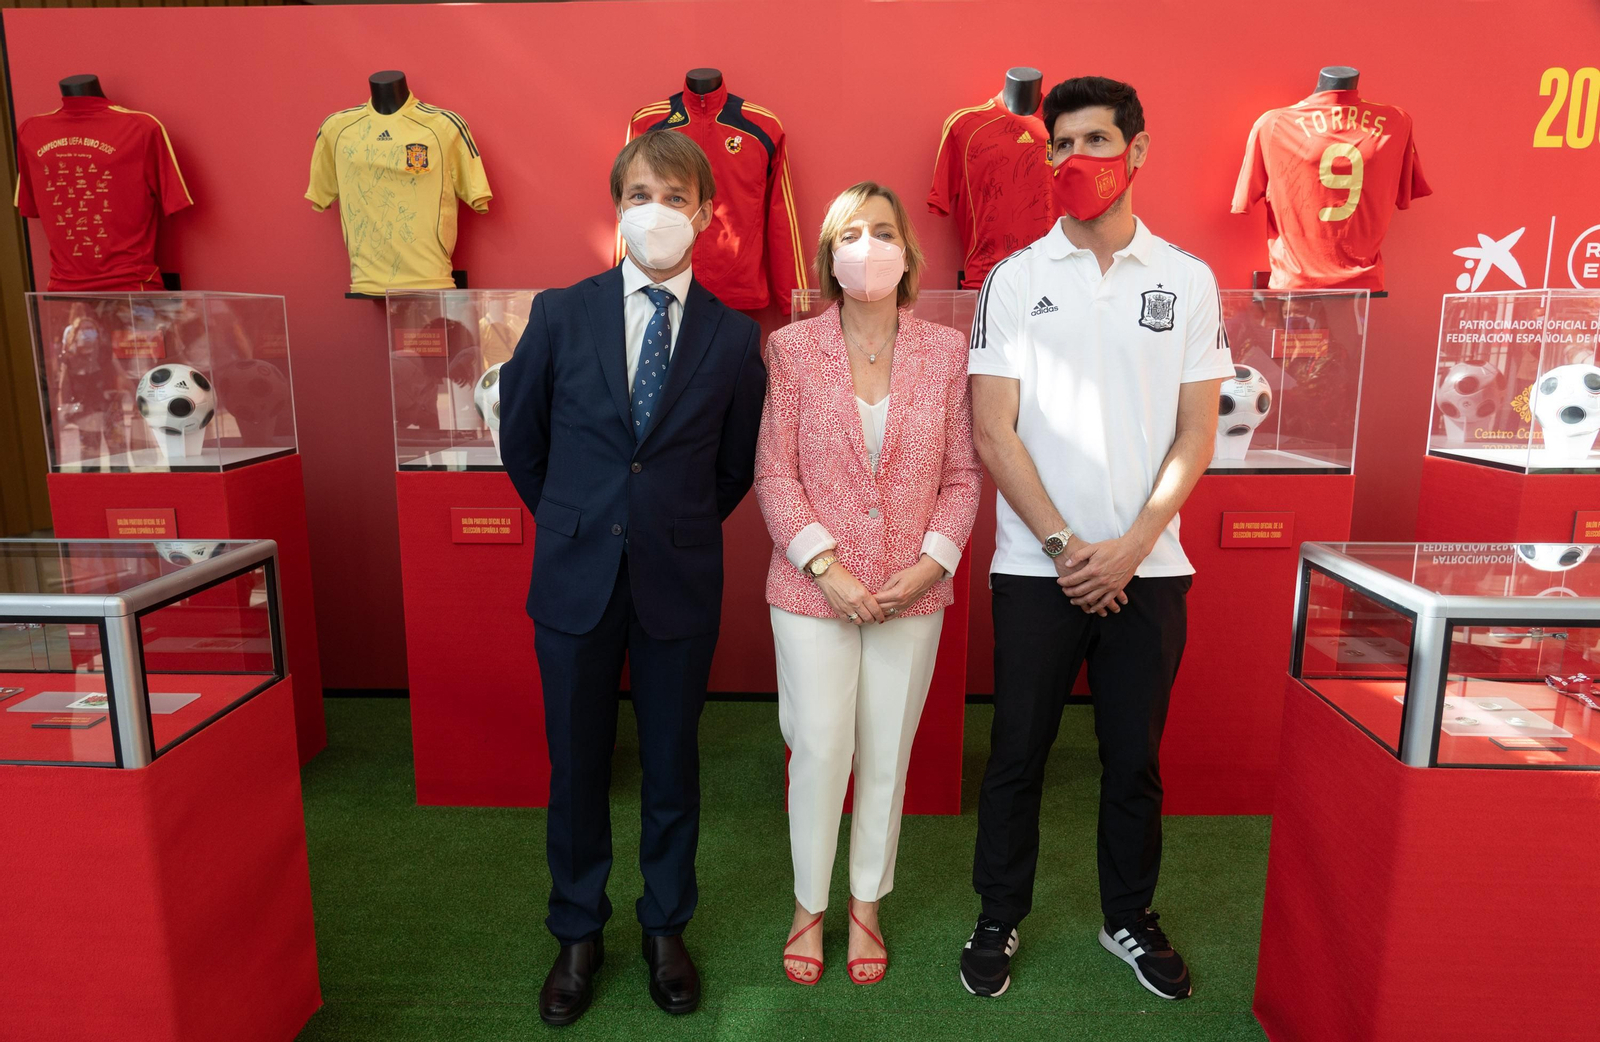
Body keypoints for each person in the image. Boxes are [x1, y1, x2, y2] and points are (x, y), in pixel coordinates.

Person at [960, 76, 1233, 1002]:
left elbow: (1197, 433)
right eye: (1063, 144)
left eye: (1098, 141)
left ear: (1140, 150)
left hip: (1148, 569)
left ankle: (1131, 915)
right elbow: (993, 429)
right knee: (1017, 755)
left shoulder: (1187, 280)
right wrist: (1072, 546)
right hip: (1038, 569)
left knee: (1134, 760)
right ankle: (997, 916)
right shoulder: (1014, 278)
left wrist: (1130, 545)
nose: (1078, 160)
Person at [497, 130, 767, 1027]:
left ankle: (665, 927)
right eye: (641, 192)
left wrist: (667, 527)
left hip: (678, 578)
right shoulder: (560, 313)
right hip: (574, 575)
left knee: (670, 765)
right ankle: (577, 933)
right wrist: (577, 520)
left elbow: (734, 469)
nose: (657, 210)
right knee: (575, 765)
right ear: (618, 204)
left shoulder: (733, 338)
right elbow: (523, 442)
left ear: (705, 214)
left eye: (676, 196)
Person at [756, 182, 980, 986]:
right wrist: (828, 565)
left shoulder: (947, 352)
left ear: (908, 254)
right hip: (814, 590)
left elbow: (962, 478)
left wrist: (930, 564)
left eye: (883, 231)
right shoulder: (791, 349)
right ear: (829, 256)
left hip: (910, 592)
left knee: (886, 752)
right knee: (819, 747)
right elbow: (774, 473)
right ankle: (807, 906)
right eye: (852, 234)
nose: (869, 246)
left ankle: (865, 905)